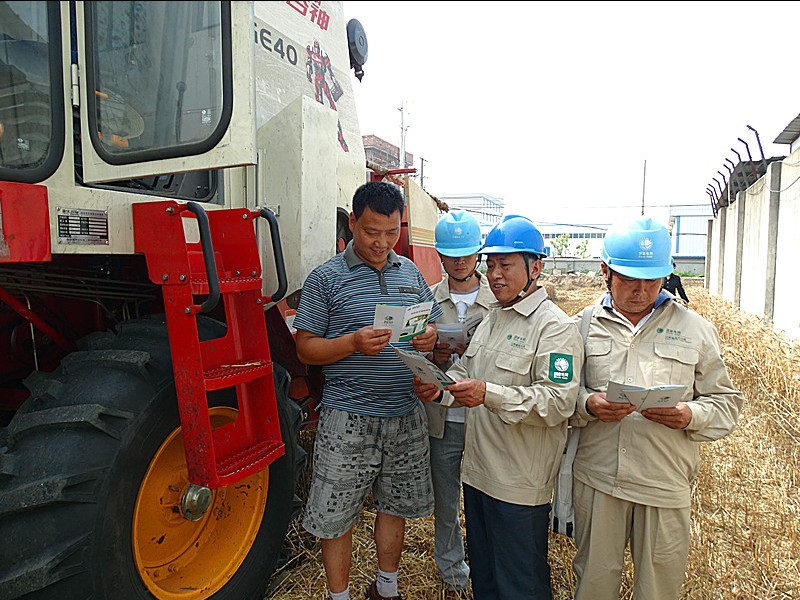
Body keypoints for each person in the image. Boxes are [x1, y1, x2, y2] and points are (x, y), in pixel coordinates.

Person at [570, 216, 744, 600]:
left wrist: (690, 415)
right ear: (605, 271)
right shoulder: (581, 326)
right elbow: (559, 394)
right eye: (630, 279)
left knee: (658, 589)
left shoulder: (696, 330)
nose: (642, 290)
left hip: (664, 482)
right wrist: (589, 404)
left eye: (652, 280)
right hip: (600, 479)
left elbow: (727, 403)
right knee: (594, 584)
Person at [414, 214, 584, 599]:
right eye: (490, 265)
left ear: (535, 268)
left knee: (519, 584)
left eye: (505, 265)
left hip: (518, 484)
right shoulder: (494, 319)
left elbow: (558, 402)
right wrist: (438, 390)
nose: (494, 275)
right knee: (487, 581)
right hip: (479, 477)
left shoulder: (554, 328)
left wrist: (488, 394)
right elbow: (465, 371)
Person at [293, 181, 442, 600]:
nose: (381, 243)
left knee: (395, 505)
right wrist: (352, 343)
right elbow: (306, 348)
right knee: (335, 515)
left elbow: (430, 325)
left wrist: (429, 335)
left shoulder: (409, 272)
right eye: (371, 231)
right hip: (348, 416)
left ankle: (386, 588)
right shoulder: (326, 278)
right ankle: (339, 596)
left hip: (404, 412)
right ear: (353, 223)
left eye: (391, 233)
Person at [425, 210, 494, 597]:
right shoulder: (427, 298)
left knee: (489, 502)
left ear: (478, 253)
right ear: (439, 255)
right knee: (446, 500)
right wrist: (431, 353)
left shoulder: (498, 299)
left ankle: (488, 572)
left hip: (487, 416)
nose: (460, 261)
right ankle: (453, 575)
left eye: (466, 253)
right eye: (451, 255)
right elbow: (412, 348)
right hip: (444, 416)